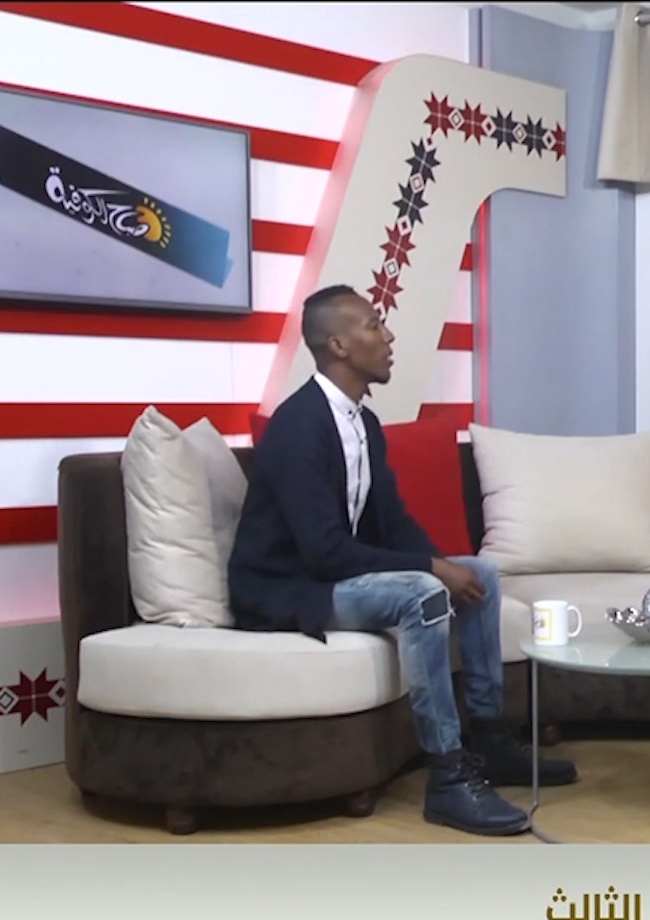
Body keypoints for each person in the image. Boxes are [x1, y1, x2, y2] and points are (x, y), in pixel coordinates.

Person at [229, 284, 577, 837]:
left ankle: (489, 738)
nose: (388, 336)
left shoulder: (363, 424)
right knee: (423, 592)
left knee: (481, 574)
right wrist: (433, 571)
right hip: (289, 590)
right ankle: (447, 776)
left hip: (327, 574)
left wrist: (447, 564)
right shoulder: (298, 428)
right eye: (374, 325)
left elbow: (393, 524)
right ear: (338, 345)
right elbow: (323, 551)